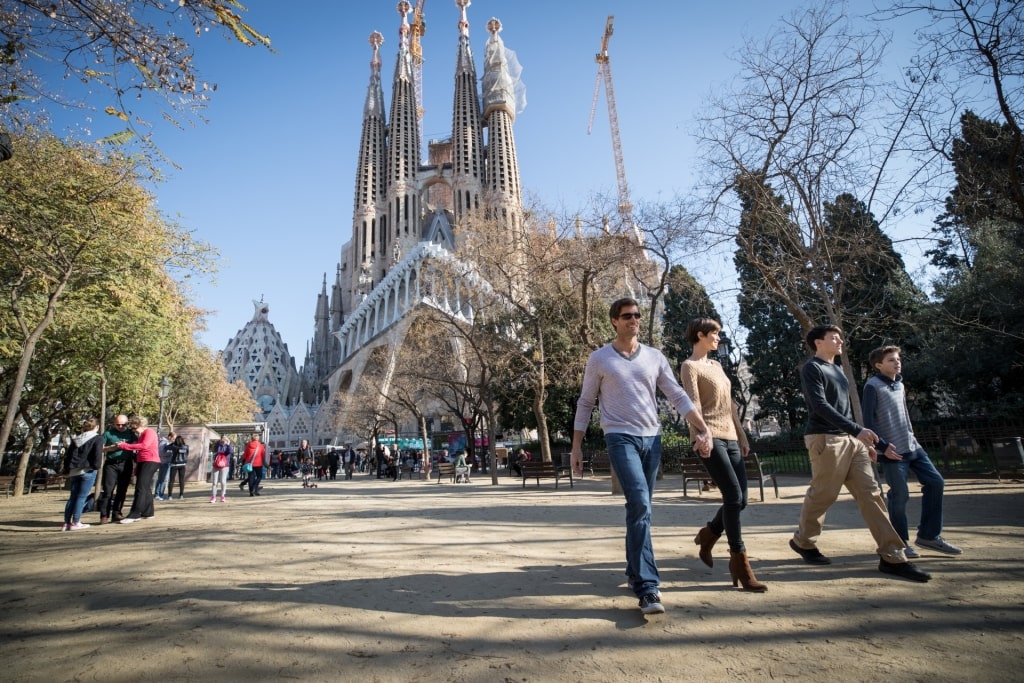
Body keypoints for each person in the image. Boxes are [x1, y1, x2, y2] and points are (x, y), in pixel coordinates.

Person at [570, 297, 712, 615]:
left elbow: (676, 394)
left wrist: (702, 427)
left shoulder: (654, 356)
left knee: (639, 508)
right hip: (620, 437)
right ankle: (648, 587)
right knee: (641, 503)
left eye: (636, 315)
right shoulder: (600, 359)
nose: (633, 320)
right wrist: (576, 447)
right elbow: (586, 402)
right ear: (614, 321)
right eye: (627, 316)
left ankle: (635, 570)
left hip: (652, 439)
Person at [789, 325, 931, 582]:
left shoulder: (838, 370)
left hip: (850, 440)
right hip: (825, 439)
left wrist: (861, 439)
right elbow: (819, 406)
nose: (840, 341)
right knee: (823, 495)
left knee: (871, 494)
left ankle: (893, 556)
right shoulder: (812, 368)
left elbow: (844, 410)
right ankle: (803, 541)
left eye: (840, 337)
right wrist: (857, 430)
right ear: (818, 342)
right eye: (834, 338)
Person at [679, 317, 766, 592]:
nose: (718, 338)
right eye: (714, 334)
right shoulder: (689, 366)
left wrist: (742, 436)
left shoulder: (716, 366)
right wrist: (702, 434)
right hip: (708, 437)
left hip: (730, 436)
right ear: (701, 335)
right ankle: (739, 561)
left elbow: (729, 405)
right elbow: (693, 404)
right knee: (733, 496)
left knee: (742, 500)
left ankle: (709, 534)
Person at [862, 345, 962, 557]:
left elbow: (904, 416)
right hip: (891, 451)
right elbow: (868, 421)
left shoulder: (900, 384)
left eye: (898, 359)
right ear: (879, 365)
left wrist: (912, 437)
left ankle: (929, 536)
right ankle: (899, 543)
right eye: (891, 360)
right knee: (900, 495)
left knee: (936, 482)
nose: (897, 362)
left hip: (912, 446)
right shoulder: (872, 386)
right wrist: (882, 447)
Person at [61, 417, 103, 531]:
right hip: (88, 470)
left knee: (72, 497)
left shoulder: (76, 439)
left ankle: (66, 523)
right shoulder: (98, 438)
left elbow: (69, 455)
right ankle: (76, 522)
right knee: (81, 497)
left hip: (74, 471)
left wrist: (66, 470)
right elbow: (97, 455)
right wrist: (96, 467)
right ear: (97, 427)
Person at [116, 416, 161, 524]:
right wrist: (137, 467)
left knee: (140, 488)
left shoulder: (149, 432)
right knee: (145, 487)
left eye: (134, 428)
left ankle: (135, 514)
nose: (133, 430)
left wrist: (125, 446)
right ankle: (148, 512)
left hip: (150, 461)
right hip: (143, 461)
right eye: (132, 428)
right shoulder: (142, 434)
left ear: (141, 425)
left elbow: (144, 446)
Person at [98, 414, 135, 524]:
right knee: (108, 491)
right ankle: (104, 515)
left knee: (122, 490)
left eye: (123, 425)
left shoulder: (131, 433)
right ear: (114, 423)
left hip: (126, 463)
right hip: (111, 464)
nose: (120, 427)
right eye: (118, 424)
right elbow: (100, 448)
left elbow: (137, 444)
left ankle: (117, 512)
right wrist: (112, 448)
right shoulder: (108, 433)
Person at [166, 434, 189, 500]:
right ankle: (181, 495)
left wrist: (172, 443)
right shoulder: (186, 447)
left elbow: (166, 447)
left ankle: (170, 496)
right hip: (183, 464)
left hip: (174, 464)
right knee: (181, 480)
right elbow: (187, 454)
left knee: (171, 480)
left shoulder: (174, 446)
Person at [153, 431, 173, 501]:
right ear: (170, 437)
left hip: (166, 462)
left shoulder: (166, 442)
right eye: (173, 438)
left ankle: (160, 494)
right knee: (162, 479)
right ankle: (158, 494)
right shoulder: (164, 442)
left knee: (163, 479)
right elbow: (161, 453)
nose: (173, 440)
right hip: (164, 462)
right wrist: (170, 453)